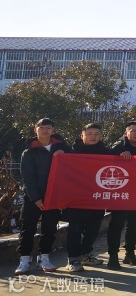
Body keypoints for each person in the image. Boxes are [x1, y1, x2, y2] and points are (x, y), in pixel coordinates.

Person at [15, 118, 72, 275]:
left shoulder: (62, 148)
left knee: (49, 229)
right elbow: (28, 177)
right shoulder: (29, 152)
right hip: (33, 197)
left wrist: (65, 154)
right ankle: (25, 259)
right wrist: (36, 198)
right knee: (28, 228)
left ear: (53, 130)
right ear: (35, 130)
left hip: (54, 196)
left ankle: (44, 258)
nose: (45, 131)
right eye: (41, 128)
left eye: (48, 128)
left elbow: (73, 166)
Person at [64, 123, 111, 272]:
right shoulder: (71, 153)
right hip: (76, 198)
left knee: (93, 229)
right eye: (89, 134)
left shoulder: (106, 153)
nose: (93, 137)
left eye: (96, 134)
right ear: (82, 135)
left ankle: (86, 254)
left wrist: (123, 153)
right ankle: (73, 260)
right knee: (75, 229)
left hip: (97, 197)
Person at [106, 120, 136, 269]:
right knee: (116, 224)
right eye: (133, 131)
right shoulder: (119, 146)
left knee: (134, 225)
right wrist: (119, 151)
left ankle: (130, 254)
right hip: (120, 191)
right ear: (126, 133)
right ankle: (113, 256)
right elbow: (109, 151)